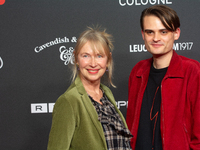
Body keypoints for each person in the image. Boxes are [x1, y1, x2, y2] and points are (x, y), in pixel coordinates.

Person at [126, 5, 200, 150]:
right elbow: (130, 125)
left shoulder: (192, 71)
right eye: (150, 32)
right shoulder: (138, 71)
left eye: (163, 32)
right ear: (143, 35)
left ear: (176, 33)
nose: (156, 38)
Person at [47, 26, 132, 150]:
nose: (93, 63)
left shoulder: (106, 93)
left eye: (99, 56)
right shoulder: (69, 101)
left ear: (108, 59)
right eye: (86, 56)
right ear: (76, 58)